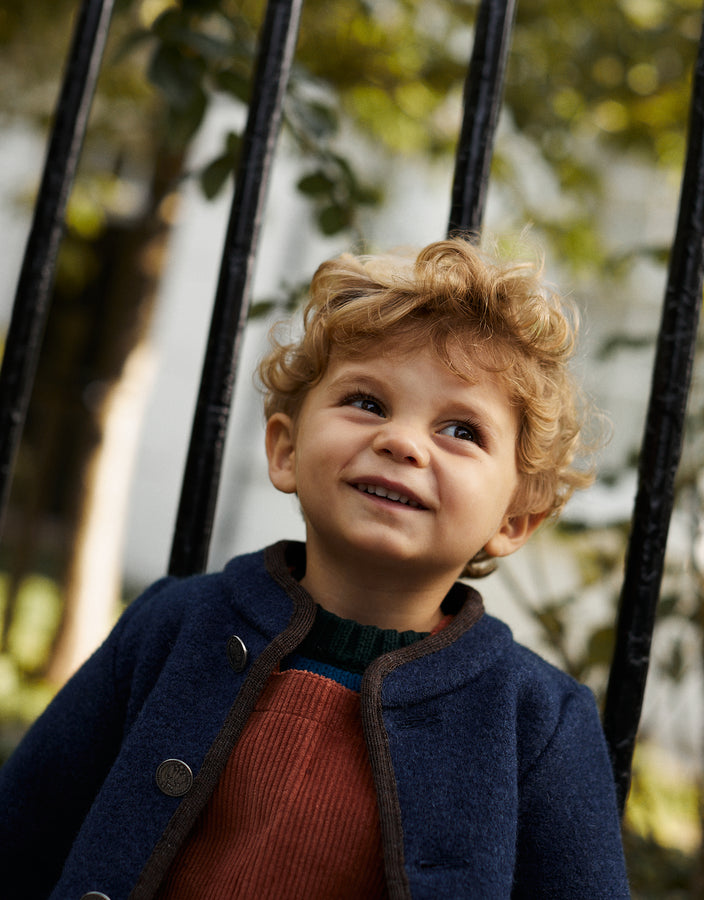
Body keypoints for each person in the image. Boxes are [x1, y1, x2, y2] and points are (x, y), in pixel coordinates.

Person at [0, 237, 630, 899]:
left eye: (462, 430)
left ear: (512, 520)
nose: (402, 441)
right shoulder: (170, 626)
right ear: (286, 450)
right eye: (366, 402)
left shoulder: (539, 722)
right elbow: (23, 833)